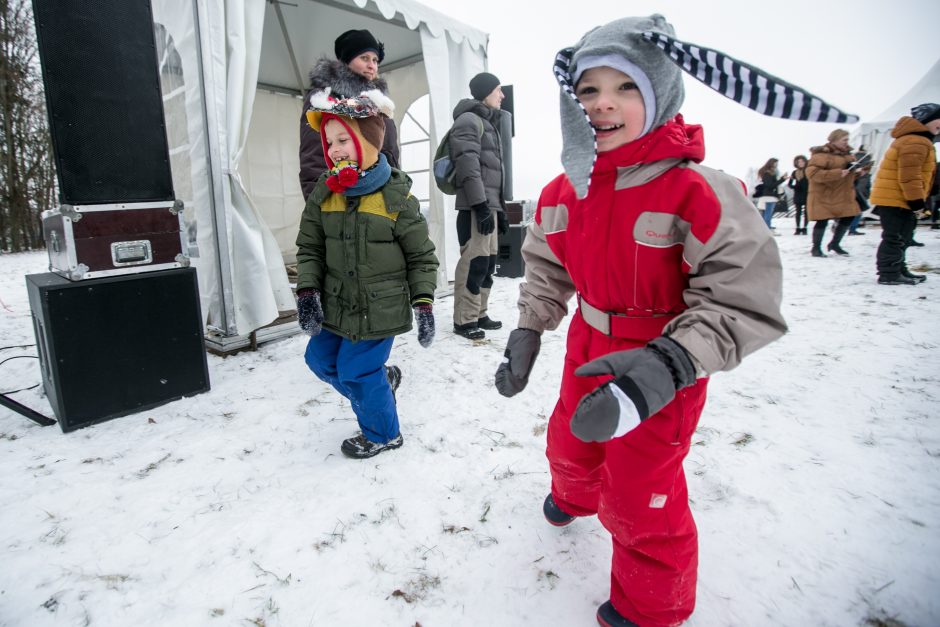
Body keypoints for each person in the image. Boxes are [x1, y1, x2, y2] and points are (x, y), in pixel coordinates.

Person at [494, 15, 787, 626]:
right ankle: (574, 495)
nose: (603, 104)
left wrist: (672, 363)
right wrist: (530, 326)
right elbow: (547, 264)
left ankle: (651, 606)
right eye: (589, 89)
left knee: (640, 490)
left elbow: (740, 297)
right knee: (570, 438)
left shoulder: (698, 191)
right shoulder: (563, 190)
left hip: (660, 362)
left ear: (658, 96)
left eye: (625, 88)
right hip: (586, 343)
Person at [294, 86, 439, 458]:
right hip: (337, 302)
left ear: (369, 141)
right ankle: (381, 383)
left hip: (380, 308)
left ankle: (383, 433)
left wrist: (423, 303)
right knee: (320, 360)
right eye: (329, 142)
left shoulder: (397, 197)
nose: (334, 149)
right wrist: (308, 292)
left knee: (356, 372)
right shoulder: (324, 194)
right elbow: (310, 247)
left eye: (343, 138)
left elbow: (421, 256)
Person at [298, 29, 400, 201]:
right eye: (364, 58)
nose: (372, 65)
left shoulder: (378, 102)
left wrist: (397, 192)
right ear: (346, 61)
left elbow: (390, 155)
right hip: (344, 200)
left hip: (382, 197)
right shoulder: (324, 98)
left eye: (375, 60)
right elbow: (313, 158)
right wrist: (320, 207)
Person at [450, 72, 510, 340]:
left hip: (490, 207)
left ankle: (479, 312)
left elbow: (494, 174)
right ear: (486, 91)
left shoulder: (489, 123)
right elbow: (468, 166)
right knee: (474, 263)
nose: (502, 95)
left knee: (488, 264)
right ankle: (464, 320)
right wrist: (481, 205)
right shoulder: (468, 121)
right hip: (476, 207)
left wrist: (501, 209)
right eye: (498, 89)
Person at [869, 102, 940, 285]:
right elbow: (909, 176)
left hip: (900, 197)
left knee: (903, 236)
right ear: (927, 120)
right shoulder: (915, 141)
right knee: (894, 237)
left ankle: (898, 269)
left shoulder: (917, 140)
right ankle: (888, 273)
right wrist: (917, 202)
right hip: (897, 198)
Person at [806, 129, 861, 257]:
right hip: (824, 193)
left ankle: (835, 243)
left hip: (842, 193)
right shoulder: (821, 155)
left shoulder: (848, 155)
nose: (847, 142)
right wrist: (837, 173)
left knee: (849, 216)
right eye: (844, 140)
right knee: (822, 220)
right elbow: (812, 174)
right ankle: (816, 248)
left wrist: (857, 173)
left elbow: (847, 175)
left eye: (847, 140)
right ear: (834, 140)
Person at [756, 158, 788, 229]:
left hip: (767, 195)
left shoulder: (767, 173)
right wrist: (782, 180)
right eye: (775, 163)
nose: (776, 165)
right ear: (770, 163)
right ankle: (767, 227)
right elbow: (770, 185)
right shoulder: (767, 173)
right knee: (768, 213)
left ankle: (766, 226)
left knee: (766, 212)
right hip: (769, 196)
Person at [848, 147, 872, 236]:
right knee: (857, 212)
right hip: (859, 193)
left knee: (854, 212)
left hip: (856, 191)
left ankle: (851, 228)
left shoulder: (856, 157)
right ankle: (852, 229)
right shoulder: (865, 158)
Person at [788, 155, 809, 234]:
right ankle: (797, 227)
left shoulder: (808, 171)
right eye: (798, 162)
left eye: (802, 161)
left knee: (807, 212)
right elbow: (790, 184)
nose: (800, 163)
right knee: (798, 212)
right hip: (798, 194)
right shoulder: (794, 172)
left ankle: (805, 227)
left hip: (807, 193)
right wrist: (795, 186)